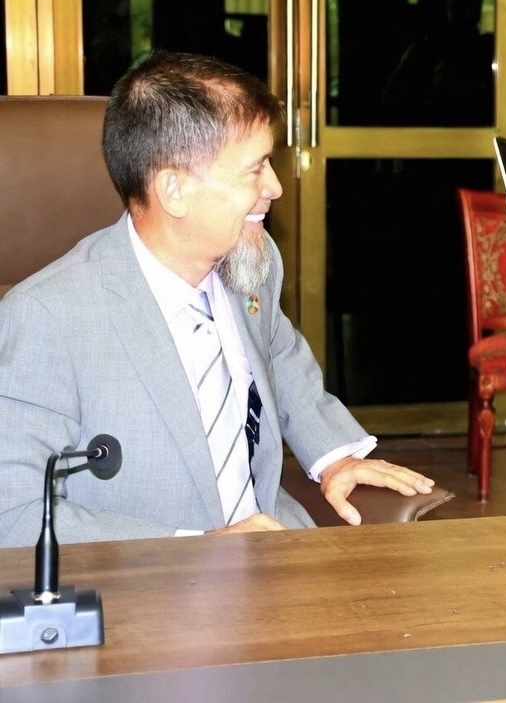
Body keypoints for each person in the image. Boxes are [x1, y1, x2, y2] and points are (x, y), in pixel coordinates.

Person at [0, 50, 435, 547]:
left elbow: (278, 355)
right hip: (149, 579)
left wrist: (335, 456)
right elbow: (13, 513)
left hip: (274, 550)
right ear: (174, 190)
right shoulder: (46, 318)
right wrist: (200, 548)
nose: (275, 187)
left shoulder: (250, 260)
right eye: (255, 169)